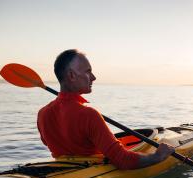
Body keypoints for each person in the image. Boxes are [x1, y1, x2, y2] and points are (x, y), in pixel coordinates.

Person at [37, 49, 174, 169]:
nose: (93, 77)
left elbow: (50, 142)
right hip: (90, 172)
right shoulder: (89, 114)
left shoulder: (42, 114)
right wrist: (158, 156)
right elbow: (122, 160)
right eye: (88, 72)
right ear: (72, 75)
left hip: (61, 172)